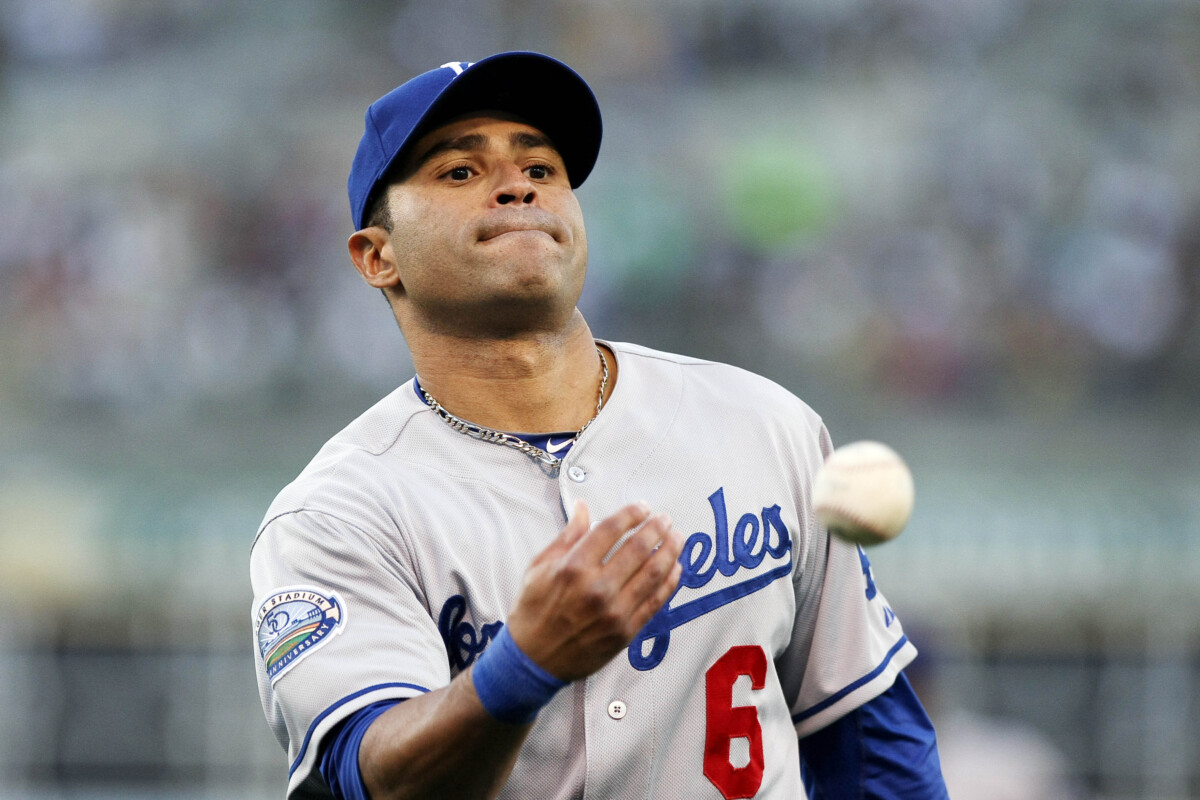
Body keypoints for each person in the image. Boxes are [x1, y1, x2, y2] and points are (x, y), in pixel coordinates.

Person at [250, 51, 949, 800]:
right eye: (460, 172)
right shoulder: (336, 514)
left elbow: (869, 740)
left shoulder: (764, 425)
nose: (517, 184)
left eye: (543, 169)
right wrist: (521, 667)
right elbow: (379, 779)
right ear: (377, 256)